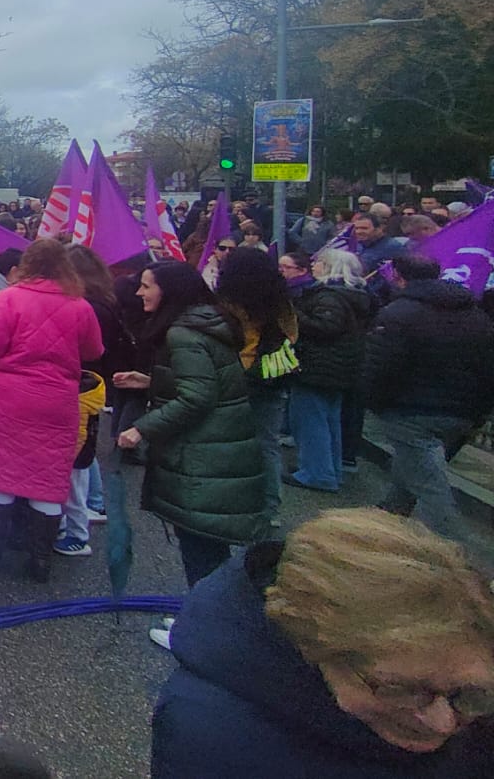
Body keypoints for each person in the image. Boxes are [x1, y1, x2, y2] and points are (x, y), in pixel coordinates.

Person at [151, 509, 494, 778]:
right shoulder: (213, 734)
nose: (443, 723)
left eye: (468, 692)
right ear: (312, 647)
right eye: (402, 689)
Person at [116, 261, 267, 646]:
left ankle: (203, 636)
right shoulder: (206, 322)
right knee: (209, 548)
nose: (139, 292)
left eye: (147, 285)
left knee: (201, 550)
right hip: (217, 451)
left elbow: (197, 398)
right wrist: (150, 381)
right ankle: (207, 619)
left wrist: (141, 428)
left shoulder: (182, 333)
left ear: (169, 291)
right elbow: (205, 382)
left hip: (202, 456)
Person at [0, 237, 103, 581]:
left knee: (0, 475)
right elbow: (94, 351)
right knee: (47, 479)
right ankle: (40, 561)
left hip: (5, 397)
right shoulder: (79, 304)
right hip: (56, 401)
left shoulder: (10, 297)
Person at [363, 253, 494, 542]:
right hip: (461, 411)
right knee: (414, 465)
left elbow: (382, 365)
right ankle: (389, 514)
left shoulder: (398, 313)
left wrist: (374, 401)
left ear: (397, 276)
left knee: (429, 484)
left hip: (411, 409)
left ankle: (454, 548)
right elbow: (488, 366)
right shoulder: (477, 316)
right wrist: (479, 411)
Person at [54, 244, 132, 558]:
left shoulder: (88, 308)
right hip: (92, 387)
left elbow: (88, 350)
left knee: (75, 461)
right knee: (83, 453)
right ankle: (94, 504)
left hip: (82, 387)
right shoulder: (104, 301)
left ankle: (76, 533)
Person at [215, 247, 300, 524]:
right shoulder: (281, 303)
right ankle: (269, 507)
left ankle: (231, 501)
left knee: (226, 442)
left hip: (234, 378)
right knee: (267, 444)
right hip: (271, 379)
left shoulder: (229, 305)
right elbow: (292, 335)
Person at [284, 248, 375, 492]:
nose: (313, 265)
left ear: (331, 266)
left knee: (309, 420)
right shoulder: (355, 295)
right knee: (329, 419)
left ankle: (317, 473)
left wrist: (292, 315)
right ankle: (328, 468)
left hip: (319, 366)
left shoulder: (329, 296)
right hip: (340, 366)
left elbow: (325, 328)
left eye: (319, 262)